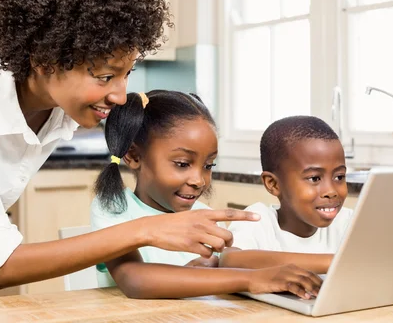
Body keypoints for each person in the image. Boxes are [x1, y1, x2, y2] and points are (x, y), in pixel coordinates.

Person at [0, 0, 258, 306]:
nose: (121, 95)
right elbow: (0, 264)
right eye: (105, 76)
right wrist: (148, 229)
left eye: (127, 74)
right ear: (44, 60)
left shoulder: (59, 110)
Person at [90, 91, 322, 299]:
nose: (199, 180)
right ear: (134, 156)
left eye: (208, 165)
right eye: (182, 164)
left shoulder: (203, 216)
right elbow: (135, 279)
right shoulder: (113, 210)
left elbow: (235, 258)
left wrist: (313, 266)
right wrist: (251, 279)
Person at [219, 116, 354, 274]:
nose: (331, 191)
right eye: (314, 178)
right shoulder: (258, 221)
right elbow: (230, 260)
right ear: (273, 184)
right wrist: (338, 263)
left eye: (339, 177)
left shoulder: (347, 222)